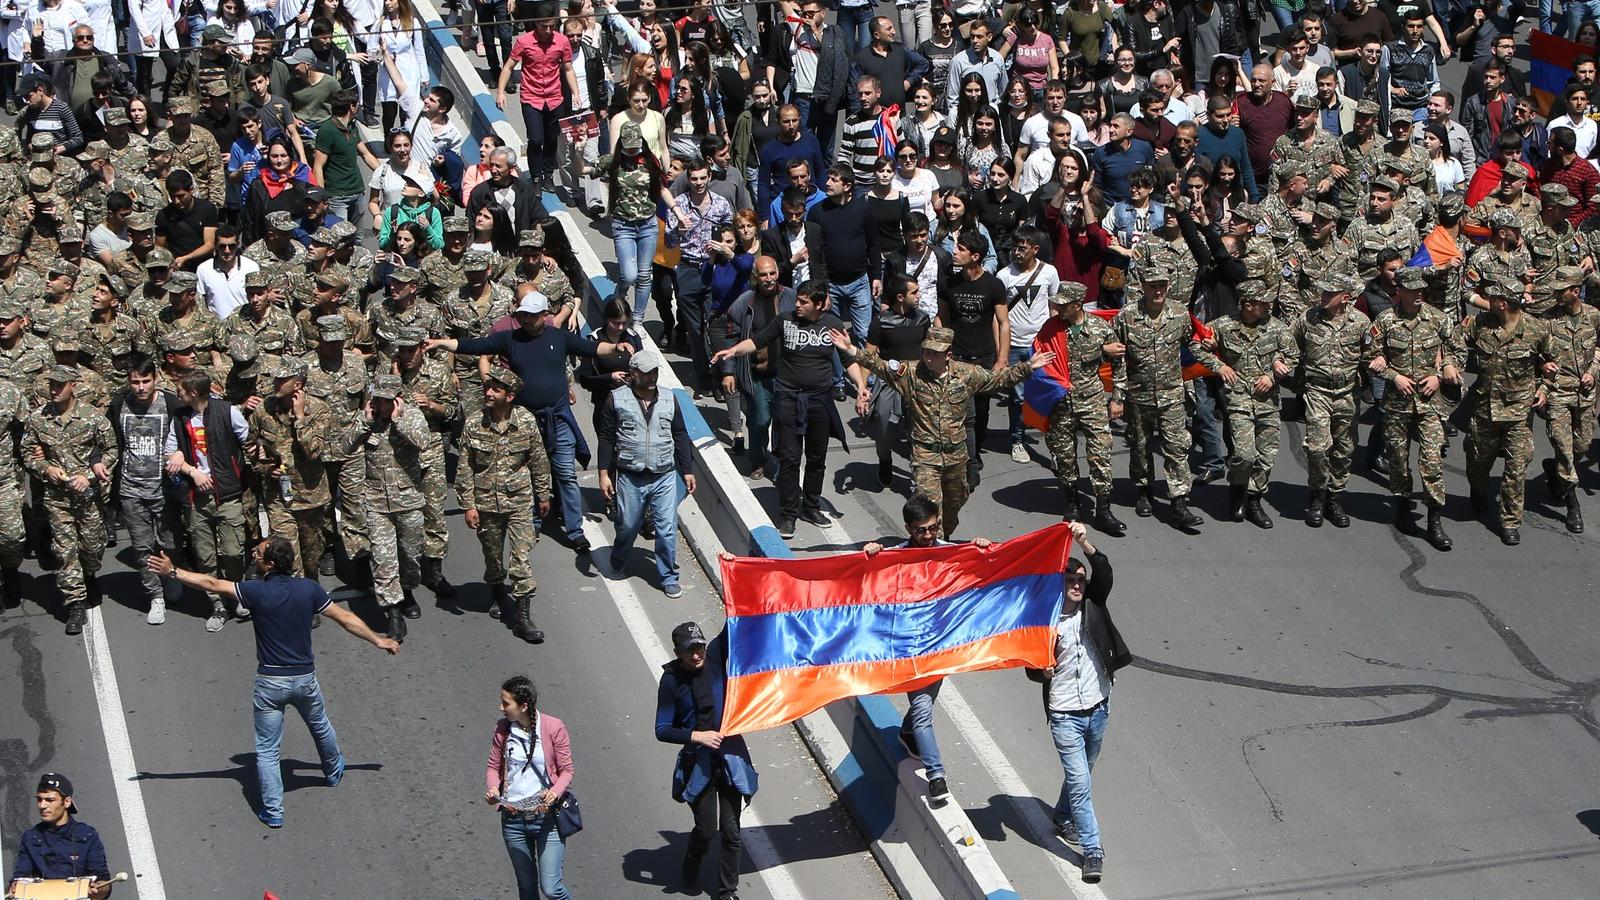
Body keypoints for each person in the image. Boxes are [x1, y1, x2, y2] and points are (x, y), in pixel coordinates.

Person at [148, 535, 400, 827]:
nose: (253, 556)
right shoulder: (309, 589)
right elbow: (345, 618)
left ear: (269, 564)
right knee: (320, 725)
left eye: (258, 554)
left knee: (268, 749)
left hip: (270, 682)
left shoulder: (256, 592)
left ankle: (273, 811)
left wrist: (173, 572)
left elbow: (212, 584)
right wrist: (378, 640)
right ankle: (333, 772)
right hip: (305, 679)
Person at [835, 322, 1049, 536]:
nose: (928, 358)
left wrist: (1028, 367)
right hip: (926, 456)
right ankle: (933, 549)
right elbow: (878, 365)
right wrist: (850, 349)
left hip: (956, 455)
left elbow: (998, 379)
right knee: (929, 511)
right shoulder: (910, 373)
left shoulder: (967, 375)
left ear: (948, 355)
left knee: (954, 504)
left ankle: (943, 537)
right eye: (926, 352)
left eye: (934, 354)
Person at [860, 494, 994, 805]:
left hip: (943, 646)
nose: (929, 536)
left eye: (933, 528)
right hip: (910, 649)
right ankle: (936, 775)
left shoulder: (951, 551)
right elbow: (865, 581)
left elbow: (984, 565)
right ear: (908, 528)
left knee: (923, 706)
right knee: (923, 711)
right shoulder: (894, 557)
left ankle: (907, 735)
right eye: (921, 530)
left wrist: (981, 548)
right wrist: (871, 553)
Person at [712, 279, 868, 537]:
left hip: (819, 401)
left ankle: (811, 506)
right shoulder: (785, 321)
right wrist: (732, 352)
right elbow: (757, 340)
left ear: (819, 305)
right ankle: (788, 514)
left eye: (803, 301)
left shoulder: (833, 326)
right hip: (788, 399)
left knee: (817, 458)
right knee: (789, 458)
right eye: (798, 300)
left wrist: (861, 386)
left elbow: (848, 358)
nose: (797, 304)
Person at [1026, 520, 1126, 886]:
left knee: (1084, 770)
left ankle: (1063, 815)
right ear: (1059, 585)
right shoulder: (1044, 623)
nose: (1077, 587)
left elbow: (1105, 572)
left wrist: (1085, 542)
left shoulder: (1093, 605)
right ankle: (1093, 849)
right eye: (1071, 582)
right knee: (1081, 781)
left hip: (1098, 707)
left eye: (1081, 581)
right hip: (1065, 712)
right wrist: (1045, 673)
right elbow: (1032, 670)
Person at [655, 620, 758, 900]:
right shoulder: (671, 681)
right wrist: (697, 737)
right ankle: (693, 855)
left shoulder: (715, 654)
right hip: (698, 763)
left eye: (699, 647)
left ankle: (727, 892)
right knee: (707, 829)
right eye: (689, 651)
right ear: (678, 653)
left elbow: (736, 621)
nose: (697, 654)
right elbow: (662, 729)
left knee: (732, 832)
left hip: (729, 759)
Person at [1365, 267, 1461, 550]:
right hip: (1398, 405)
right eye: (1413, 290)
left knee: (1432, 461)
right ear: (1400, 291)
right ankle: (1403, 508)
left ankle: (1434, 522)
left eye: (1422, 290)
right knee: (1398, 459)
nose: (1419, 294)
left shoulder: (1438, 319)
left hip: (1430, 404)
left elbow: (1456, 349)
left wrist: (1441, 370)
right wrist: (1393, 375)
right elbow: (1371, 354)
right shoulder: (1385, 321)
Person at [455, 366, 552, 640]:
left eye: (495, 390)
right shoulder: (474, 423)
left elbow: (538, 459)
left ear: (509, 396)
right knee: (493, 557)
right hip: (486, 503)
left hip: (519, 501)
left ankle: (523, 618)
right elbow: (465, 467)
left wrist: (544, 495)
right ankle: (497, 589)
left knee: (521, 558)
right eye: (488, 388)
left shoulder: (525, 421)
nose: (488, 393)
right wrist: (468, 505)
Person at [22, 365, 118, 636]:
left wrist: (89, 476)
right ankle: (75, 603)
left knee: (93, 547)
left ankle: (89, 575)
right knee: (65, 552)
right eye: (51, 384)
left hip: (88, 498)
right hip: (57, 498)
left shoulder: (92, 418)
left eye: (59, 385)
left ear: (73, 386)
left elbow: (112, 450)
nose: (54, 389)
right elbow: (28, 454)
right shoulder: (38, 419)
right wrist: (46, 469)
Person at [597, 348, 695, 598]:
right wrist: (604, 473)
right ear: (633, 374)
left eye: (655, 372)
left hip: (664, 475)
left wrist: (687, 470)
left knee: (666, 528)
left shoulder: (669, 399)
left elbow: (680, 435)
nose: (652, 377)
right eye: (647, 373)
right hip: (630, 476)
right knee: (628, 525)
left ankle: (668, 577)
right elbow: (607, 438)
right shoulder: (616, 399)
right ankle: (619, 556)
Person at [1463, 279, 1553, 546]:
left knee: (1516, 470)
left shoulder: (1536, 330)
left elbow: (1553, 364)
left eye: (1491, 298)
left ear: (1503, 303)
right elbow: (1456, 344)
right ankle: (1478, 491)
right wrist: (1448, 364)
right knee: (1477, 462)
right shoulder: (1480, 324)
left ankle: (1510, 521)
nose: (1486, 302)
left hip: (1518, 413)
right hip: (1484, 409)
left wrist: (1544, 389)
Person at [485, 675, 575, 900]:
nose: (501, 707)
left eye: (506, 703)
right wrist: (494, 789)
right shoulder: (503, 729)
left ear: (524, 706)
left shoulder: (554, 727)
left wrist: (554, 792)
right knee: (526, 889)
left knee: (552, 888)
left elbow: (567, 771)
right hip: (513, 820)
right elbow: (493, 767)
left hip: (547, 820)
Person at [8, 773, 114, 899]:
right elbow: (20, 878)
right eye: (39, 799)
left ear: (67, 802)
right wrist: (15, 888)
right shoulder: (30, 837)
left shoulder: (87, 835)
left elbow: (102, 880)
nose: (42, 805)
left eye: (50, 800)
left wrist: (99, 889)